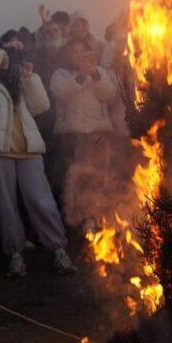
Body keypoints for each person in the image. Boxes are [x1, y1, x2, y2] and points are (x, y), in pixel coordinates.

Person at [0, 40, 75, 277]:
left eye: (13, 56)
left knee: (40, 200)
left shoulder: (21, 83)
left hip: (29, 149)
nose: (9, 60)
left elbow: (41, 106)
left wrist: (30, 77)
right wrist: (0, 49)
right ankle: (15, 255)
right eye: (6, 56)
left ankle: (58, 249)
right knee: (4, 204)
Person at [50, 39, 122, 233]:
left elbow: (110, 95)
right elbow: (60, 93)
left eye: (82, 51)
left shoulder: (98, 71)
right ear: (67, 55)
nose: (79, 55)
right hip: (72, 134)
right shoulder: (60, 74)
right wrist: (80, 77)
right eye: (74, 52)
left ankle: (93, 219)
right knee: (73, 179)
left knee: (97, 177)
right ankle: (72, 219)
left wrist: (95, 75)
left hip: (97, 132)